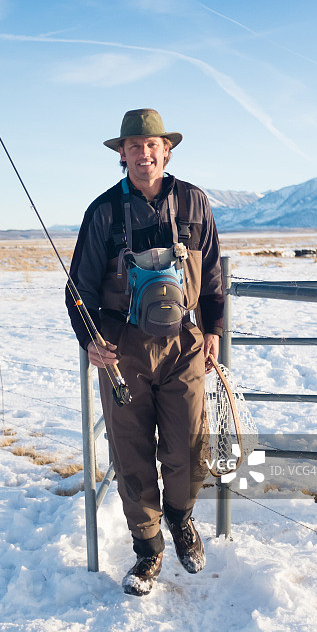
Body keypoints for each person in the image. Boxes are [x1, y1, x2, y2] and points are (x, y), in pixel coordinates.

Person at [66, 108, 224, 596]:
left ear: (166, 150)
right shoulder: (104, 212)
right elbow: (77, 288)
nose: (143, 152)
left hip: (185, 347)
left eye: (152, 144)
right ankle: (148, 549)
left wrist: (215, 329)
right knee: (131, 453)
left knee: (189, 448)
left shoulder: (195, 203)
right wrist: (90, 339)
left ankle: (181, 520)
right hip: (122, 350)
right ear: (121, 155)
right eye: (133, 146)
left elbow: (215, 274)